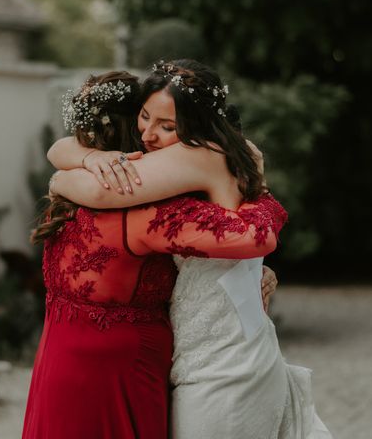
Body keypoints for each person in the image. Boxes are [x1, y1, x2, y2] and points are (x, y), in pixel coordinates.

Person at [48, 60, 332, 438]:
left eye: (166, 126)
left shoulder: (195, 154)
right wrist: (84, 157)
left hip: (220, 358)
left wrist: (59, 180)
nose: (148, 134)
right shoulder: (220, 155)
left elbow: (101, 191)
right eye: (144, 117)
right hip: (224, 336)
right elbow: (61, 147)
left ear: (196, 126)